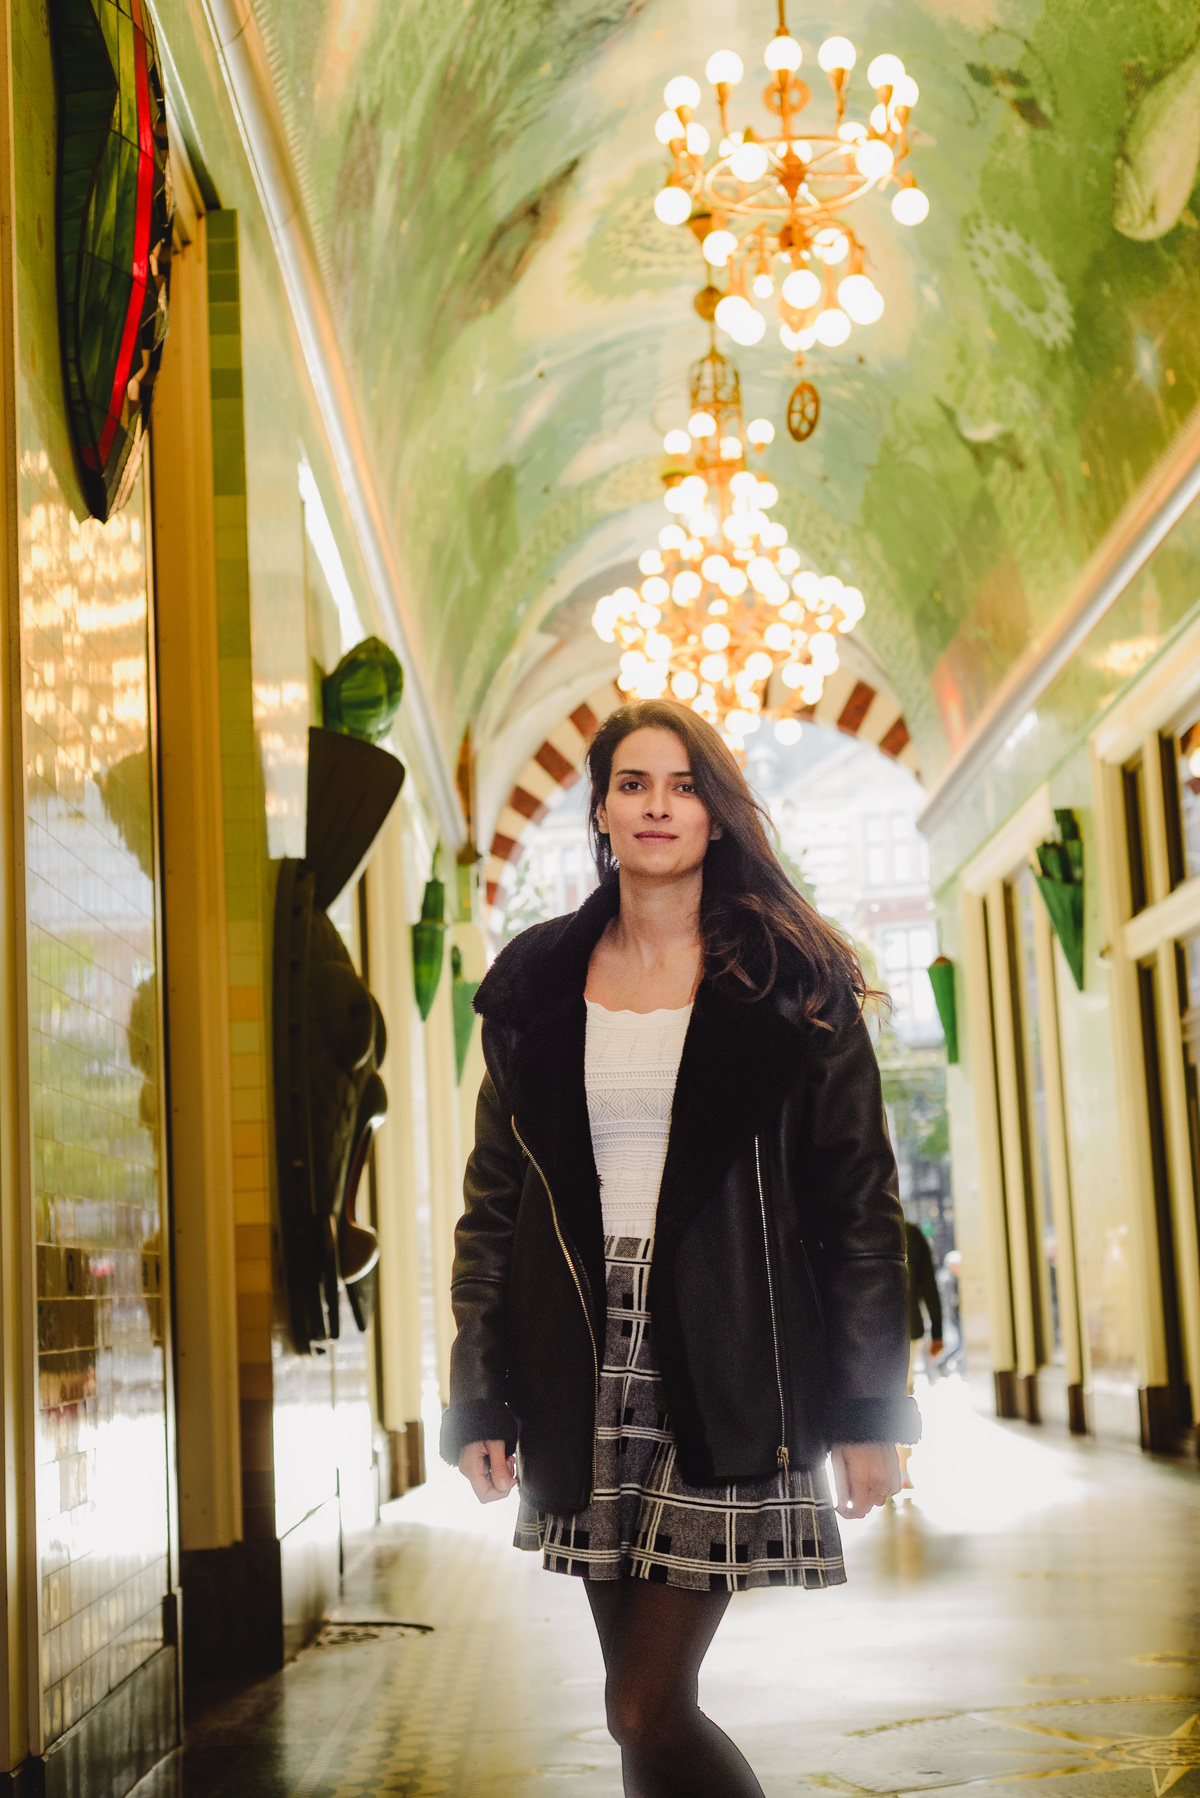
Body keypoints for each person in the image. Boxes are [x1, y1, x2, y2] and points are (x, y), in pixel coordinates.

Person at [440, 700, 919, 1798]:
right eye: (634, 784)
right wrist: (479, 1394)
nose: (659, 805)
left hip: (731, 1348)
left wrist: (869, 1414)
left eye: (684, 784)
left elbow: (857, 1204)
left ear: (717, 812)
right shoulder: (535, 988)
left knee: (642, 1702)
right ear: (601, 811)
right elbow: (495, 1204)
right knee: (640, 1715)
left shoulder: (793, 985)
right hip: (579, 1360)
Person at [898, 1220, 943, 1491]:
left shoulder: (852, 1223)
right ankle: (901, 1466)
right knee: (902, 1393)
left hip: (869, 1330)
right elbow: (929, 1283)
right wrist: (936, 1331)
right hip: (906, 1326)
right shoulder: (910, 1232)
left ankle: (898, 1464)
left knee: (882, 1395)